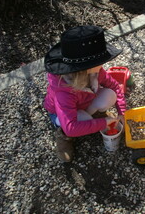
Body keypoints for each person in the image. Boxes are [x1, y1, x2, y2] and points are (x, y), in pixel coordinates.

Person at [44, 25, 126, 162]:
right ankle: (62, 137)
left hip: (85, 101)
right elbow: (71, 127)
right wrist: (103, 123)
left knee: (110, 95)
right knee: (82, 121)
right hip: (62, 114)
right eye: (99, 62)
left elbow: (114, 86)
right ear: (84, 68)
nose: (103, 64)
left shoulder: (96, 72)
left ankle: (93, 117)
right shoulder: (62, 91)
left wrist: (121, 112)